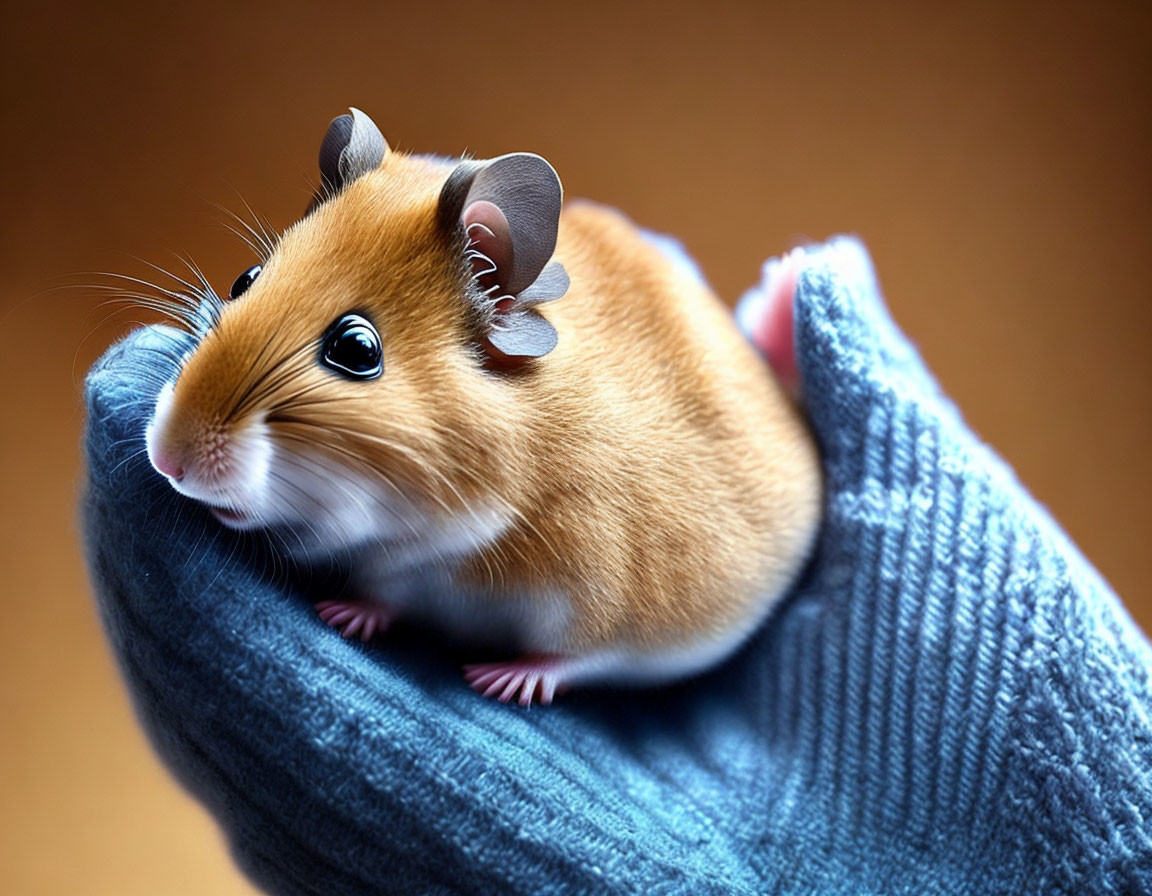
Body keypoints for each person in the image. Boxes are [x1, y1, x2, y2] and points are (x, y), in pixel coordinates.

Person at [83, 237, 1152, 894]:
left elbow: (534, 548)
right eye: (251, 276)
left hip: (676, 611)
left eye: (353, 349)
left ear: (499, 332)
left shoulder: (538, 478)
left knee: (570, 592)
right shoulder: (416, 483)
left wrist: (566, 661)